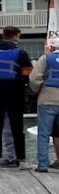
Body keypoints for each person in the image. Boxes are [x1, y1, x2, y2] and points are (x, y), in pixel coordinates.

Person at [0, 24, 32, 169]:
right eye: (18, 36)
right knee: (17, 128)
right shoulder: (20, 53)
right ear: (14, 36)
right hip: (15, 93)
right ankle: (21, 161)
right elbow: (27, 73)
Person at [29, 37, 59, 173]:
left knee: (43, 134)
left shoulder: (45, 59)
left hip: (47, 99)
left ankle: (42, 164)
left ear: (51, 48)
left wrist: (37, 91)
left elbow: (35, 78)